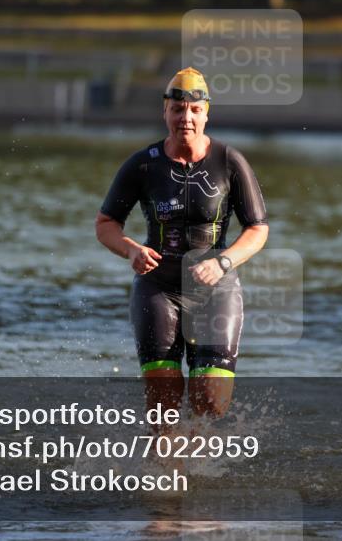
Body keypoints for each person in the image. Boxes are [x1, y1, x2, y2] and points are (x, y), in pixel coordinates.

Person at [95, 67, 269, 420]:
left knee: (211, 404)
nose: (185, 119)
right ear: (165, 112)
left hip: (215, 289)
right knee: (163, 408)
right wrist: (131, 249)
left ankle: (193, 463)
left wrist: (223, 262)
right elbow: (106, 224)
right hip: (158, 288)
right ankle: (167, 471)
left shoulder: (229, 162)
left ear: (207, 113)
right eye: (177, 110)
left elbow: (257, 229)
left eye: (194, 110)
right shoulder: (143, 165)